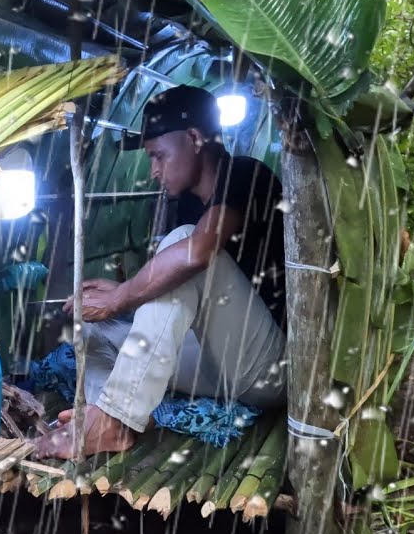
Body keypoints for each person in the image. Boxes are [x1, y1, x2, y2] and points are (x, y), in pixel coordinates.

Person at [32, 85, 287, 459]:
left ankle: (116, 420)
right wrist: (121, 292)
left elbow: (198, 254)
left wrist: (121, 297)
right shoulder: (185, 201)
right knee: (92, 328)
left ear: (195, 138)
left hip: (268, 368)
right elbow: (177, 298)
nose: (153, 171)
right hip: (216, 365)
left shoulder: (245, 175)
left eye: (158, 156)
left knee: (183, 245)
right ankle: (109, 413)